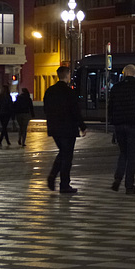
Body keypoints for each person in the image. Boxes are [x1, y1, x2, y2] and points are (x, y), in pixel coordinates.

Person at [44, 66, 87, 194]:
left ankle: (52, 176)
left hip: (55, 128)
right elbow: (75, 111)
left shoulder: (50, 91)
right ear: (67, 75)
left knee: (63, 152)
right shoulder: (69, 92)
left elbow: (46, 109)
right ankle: (64, 184)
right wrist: (82, 126)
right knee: (67, 156)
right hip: (68, 128)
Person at [108, 64, 135, 195]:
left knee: (123, 153)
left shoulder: (116, 87)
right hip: (134, 124)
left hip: (119, 125)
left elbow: (110, 107)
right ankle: (129, 185)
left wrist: (113, 121)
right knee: (132, 156)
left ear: (124, 73)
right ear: (134, 73)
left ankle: (118, 178)